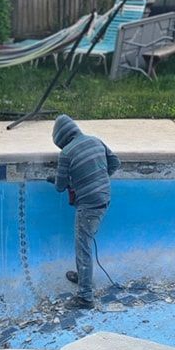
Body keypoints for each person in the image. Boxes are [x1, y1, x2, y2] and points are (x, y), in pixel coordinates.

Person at [51, 114, 120, 309]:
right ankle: (83, 277)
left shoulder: (65, 153)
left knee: (83, 247)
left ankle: (85, 297)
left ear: (60, 138)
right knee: (86, 244)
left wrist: (61, 179)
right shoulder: (95, 140)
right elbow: (115, 163)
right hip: (104, 199)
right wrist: (97, 179)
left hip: (88, 205)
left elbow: (59, 186)